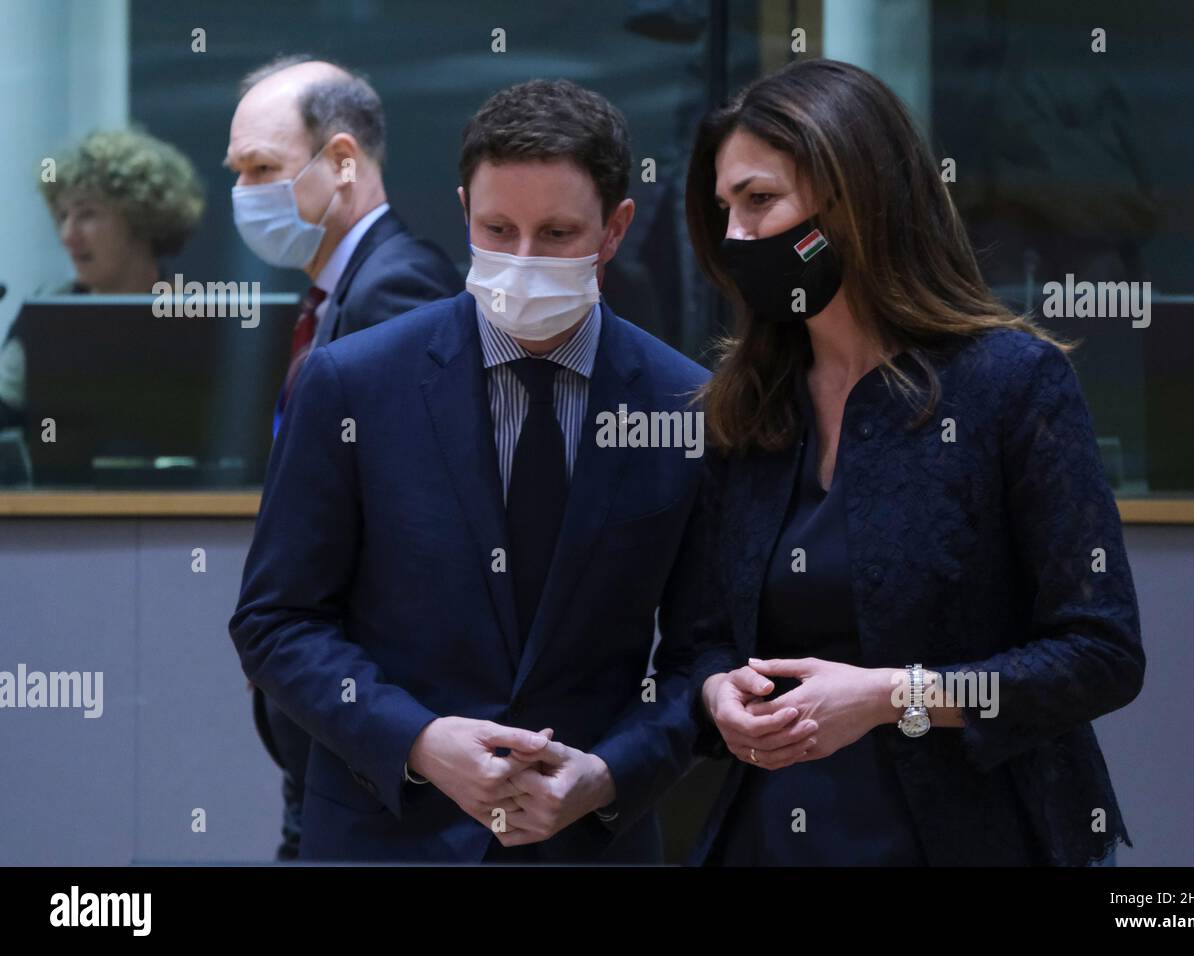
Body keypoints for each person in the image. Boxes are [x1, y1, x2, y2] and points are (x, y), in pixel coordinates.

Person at [229, 78, 709, 863]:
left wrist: (607, 774)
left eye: (556, 234)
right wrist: (418, 740)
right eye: (498, 229)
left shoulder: (682, 404)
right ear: (464, 214)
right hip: (387, 836)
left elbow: (706, 655)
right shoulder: (354, 382)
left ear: (615, 228)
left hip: (587, 844)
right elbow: (275, 622)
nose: (522, 261)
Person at [684, 58, 1144, 866]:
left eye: (759, 201)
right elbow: (703, 641)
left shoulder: (1009, 383)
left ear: (852, 200)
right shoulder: (748, 400)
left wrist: (894, 697)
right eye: (725, 209)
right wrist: (718, 693)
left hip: (968, 833)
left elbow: (1100, 656)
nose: (735, 237)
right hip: (774, 833)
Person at [224, 55, 462, 860]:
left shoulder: (396, 288)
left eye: (264, 168)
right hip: (324, 702)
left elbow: (413, 528)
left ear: (344, 161)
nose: (245, 193)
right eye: (238, 171)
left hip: (367, 708)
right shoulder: (334, 289)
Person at [0, 128, 204, 429]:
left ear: (141, 219)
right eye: (62, 217)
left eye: (87, 215)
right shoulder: (45, 313)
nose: (68, 236)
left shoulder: (197, 314)